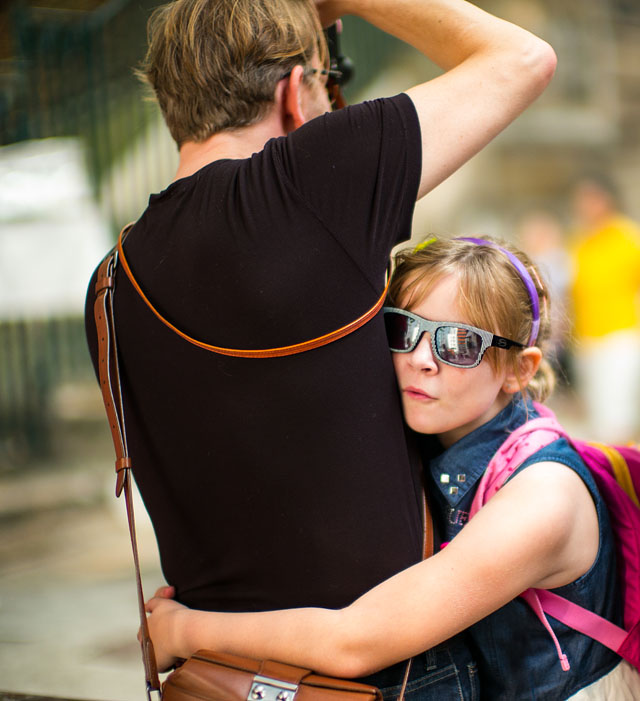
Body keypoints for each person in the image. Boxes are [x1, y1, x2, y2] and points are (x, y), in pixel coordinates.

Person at [84, 0, 556, 696]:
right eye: (331, 80)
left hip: (214, 677)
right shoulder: (310, 183)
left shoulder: (108, 287)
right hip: (384, 679)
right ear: (292, 92)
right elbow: (524, 58)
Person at [144, 237, 640, 700]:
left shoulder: (543, 496)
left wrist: (183, 631)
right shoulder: (427, 439)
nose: (422, 359)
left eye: (461, 343)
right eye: (403, 329)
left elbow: (355, 641)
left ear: (519, 369)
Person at [569, 175, 640, 444]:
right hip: (587, 341)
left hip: (620, 337)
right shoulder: (580, 241)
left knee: (616, 418)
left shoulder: (627, 238)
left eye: (589, 199)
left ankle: (624, 477)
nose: (582, 205)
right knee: (598, 420)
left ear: (605, 200)